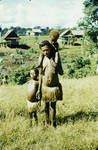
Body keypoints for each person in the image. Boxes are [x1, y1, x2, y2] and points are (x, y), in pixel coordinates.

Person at [37, 40, 63, 127]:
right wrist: (38, 89)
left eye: (47, 50)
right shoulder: (42, 59)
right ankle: (47, 122)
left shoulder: (54, 57)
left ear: (50, 49)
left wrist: (55, 58)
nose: (45, 52)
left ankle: (54, 123)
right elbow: (40, 75)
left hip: (53, 88)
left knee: (53, 106)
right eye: (43, 50)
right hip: (45, 88)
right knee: (46, 106)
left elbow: (61, 72)